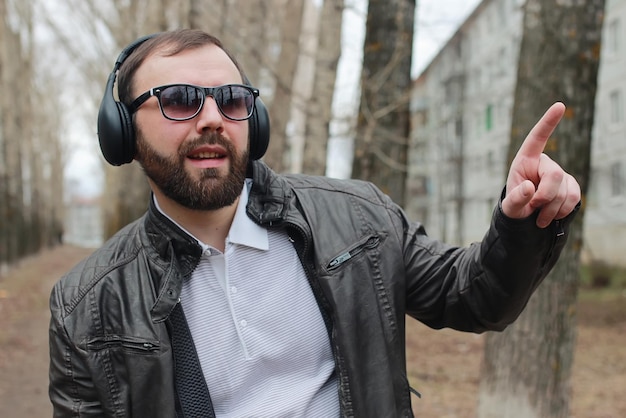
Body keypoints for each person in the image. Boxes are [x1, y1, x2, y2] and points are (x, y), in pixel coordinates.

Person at [48, 29, 581, 418]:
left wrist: (520, 221)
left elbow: (476, 297)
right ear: (121, 133)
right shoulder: (85, 308)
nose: (212, 117)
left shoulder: (358, 218)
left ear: (252, 122)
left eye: (232, 100)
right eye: (179, 101)